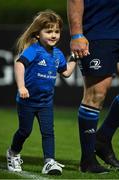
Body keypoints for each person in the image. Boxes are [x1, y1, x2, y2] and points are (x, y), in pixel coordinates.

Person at [6, 9, 77, 175]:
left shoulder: (58, 54)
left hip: (46, 102)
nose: (54, 35)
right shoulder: (34, 50)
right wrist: (22, 87)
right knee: (25, 131)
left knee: (48, 132)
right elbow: (19, 64)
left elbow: (66, 72)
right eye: (49, 31)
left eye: (57, 31)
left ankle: (49, 161)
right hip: (27, 101)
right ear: (37, 34)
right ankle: (13, 153)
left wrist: (75, 57)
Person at [67, 0, 119, 173]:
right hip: (99, 31)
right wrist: (76, 34)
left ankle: (102, 138)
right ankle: (87, 161)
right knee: (95, 94)